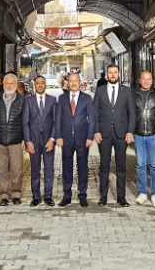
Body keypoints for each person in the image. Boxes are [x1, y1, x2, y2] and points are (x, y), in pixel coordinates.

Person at [94, 64, 136, 207]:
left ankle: (121, 198)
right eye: (110, 72)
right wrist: (96, 131)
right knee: (104, 166)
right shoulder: (100, 91)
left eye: (115, 72)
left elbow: (132, 113)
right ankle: (103, 197)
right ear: (107, 75)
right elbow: (95, 112)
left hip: (121, 134)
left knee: (121, 167)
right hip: (104, 133)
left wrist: (130, 131)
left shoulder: (127, 91)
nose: (112, 75)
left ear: (119, 74)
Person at [55, 71, 95, 208]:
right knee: (66, 167)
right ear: (67, 83)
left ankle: (82, 195)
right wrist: (58, 136)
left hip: (82, 138)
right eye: (71, 81)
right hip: (66, 138)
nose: (73, 83)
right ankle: (67, 195)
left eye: (75, 81)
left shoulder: (87, 98)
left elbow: (92, 119)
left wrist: (90, 137)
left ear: (80, 83)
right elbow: (58, 119)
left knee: (82, 167)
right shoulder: (62, 98)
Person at [0, 73, 26, 205]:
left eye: (12, 83)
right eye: (7, 83)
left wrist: (25, 138)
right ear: (3, 84)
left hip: (16, 139)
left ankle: (16, 194)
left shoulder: (22, 100)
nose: (9, 86)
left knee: (16, 169)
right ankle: (4, 195)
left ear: (16, 85)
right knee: (1, 169)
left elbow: (25, 121)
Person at [132, 70, 155, 207]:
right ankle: (142, 192)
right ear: (140, 80)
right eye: (144, 79)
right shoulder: (133, 94)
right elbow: (130, 114)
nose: (146, 81)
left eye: (149, 79)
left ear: (152, 81)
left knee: (154, 165)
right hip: (138, 134)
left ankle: (154, 194)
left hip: (154, 134)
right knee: (140, 164)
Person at [23, 75, 57, 206]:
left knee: (49, 169)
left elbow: (56, 121)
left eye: (42, 83)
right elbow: (25, 123)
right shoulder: (28, 101)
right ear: (34, 85)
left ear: (45, 84)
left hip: (48, 141)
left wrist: (53, 139)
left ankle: (48, 196)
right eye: (38, 83)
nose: (40, 85)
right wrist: (28, 141)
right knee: (35, 169)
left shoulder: (52, 100)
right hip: (34, 141)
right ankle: (36, 197)